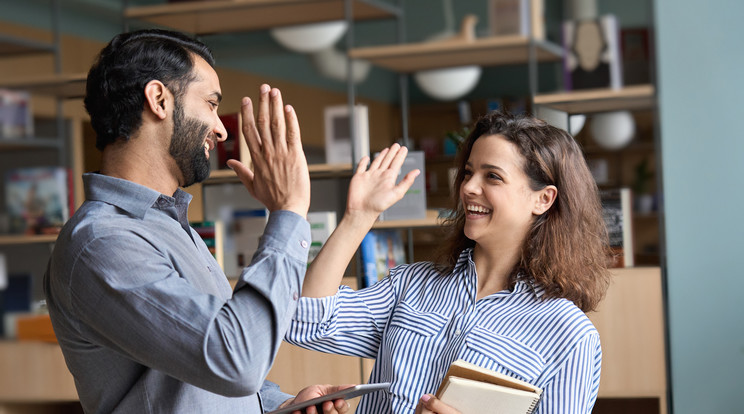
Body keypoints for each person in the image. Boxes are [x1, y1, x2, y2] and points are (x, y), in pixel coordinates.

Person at [43, 28, 353, 414]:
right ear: (158, 99)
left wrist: (281, 405)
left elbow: (200, 372)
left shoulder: (171, 227)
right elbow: (235, 360)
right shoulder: (102, 243)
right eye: (210, 103)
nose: (221, 128)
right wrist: (288, 212)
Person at [287, 111, 613, 413]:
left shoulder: (570, 335)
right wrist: (358, 218)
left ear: (543, 199)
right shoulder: (411, 285)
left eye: (493, 177)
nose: (469, 187)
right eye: (469, 172)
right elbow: (305, 320)